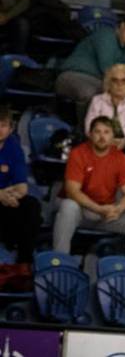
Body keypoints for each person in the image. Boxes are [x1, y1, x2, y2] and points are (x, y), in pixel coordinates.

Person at [54, 116, 125, 264]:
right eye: (97, 132)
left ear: (113, 137)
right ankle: (59, 262)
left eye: (106, 132)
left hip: (107, 213)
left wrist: (118, 209)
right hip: (82, 210)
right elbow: (72, 191)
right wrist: (98, 209)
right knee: (68, 206)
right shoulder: (78, 153)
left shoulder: (121, 158)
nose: (102, 136)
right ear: (90, 134)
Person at [56, 13, 125, 107]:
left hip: (99, 81)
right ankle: (87, 122)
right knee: (94, 95)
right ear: (122, 25)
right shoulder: (106, 35)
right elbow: (107, 69)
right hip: (72, 76)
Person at [0, 105, 41, 289]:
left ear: (11, 128)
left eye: (3, 125)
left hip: (5, 199)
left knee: (31, 206)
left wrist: (6, 195)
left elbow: (22, 187)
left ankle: (23, 264)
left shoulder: (13, 147)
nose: (0, 129)